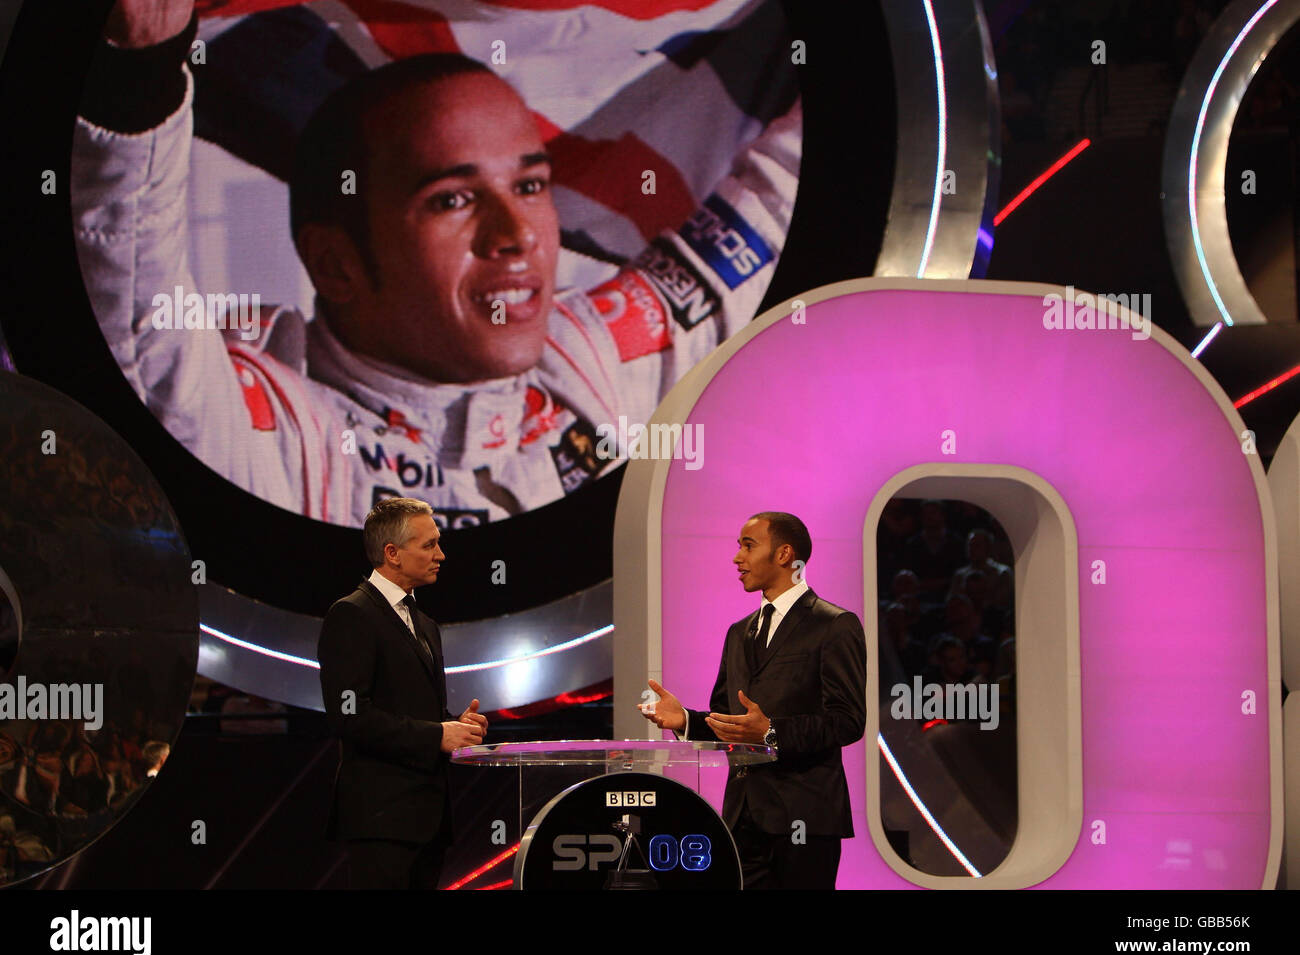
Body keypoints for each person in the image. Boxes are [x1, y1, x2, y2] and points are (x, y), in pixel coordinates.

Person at [72, 1, 800, 528]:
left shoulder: (590, 369)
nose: (516, 234)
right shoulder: (274, 430)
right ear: (336, 264)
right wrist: (139, 75)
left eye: (530, 185)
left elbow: (774, 204)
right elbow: (133, 318)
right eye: (452, 199)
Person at [641, 512, 867, 889]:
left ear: (784, 555)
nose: (737, 558)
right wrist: (684, 720)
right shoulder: (738, 633)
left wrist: (773, 732)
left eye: (748, 546)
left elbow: (847, 721)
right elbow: (731, 721)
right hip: (743, 817)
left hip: (805, 820)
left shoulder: (834, 624)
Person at [316, 496, 488, 889]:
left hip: (428, 818)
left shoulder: (425, 624)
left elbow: (416, 711)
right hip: (381, 820)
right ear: (392, 553)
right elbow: (350, 716)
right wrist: (437, 735)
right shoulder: (352, 614)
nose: (440, 555)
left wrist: (456, 726)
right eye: (429, 545)